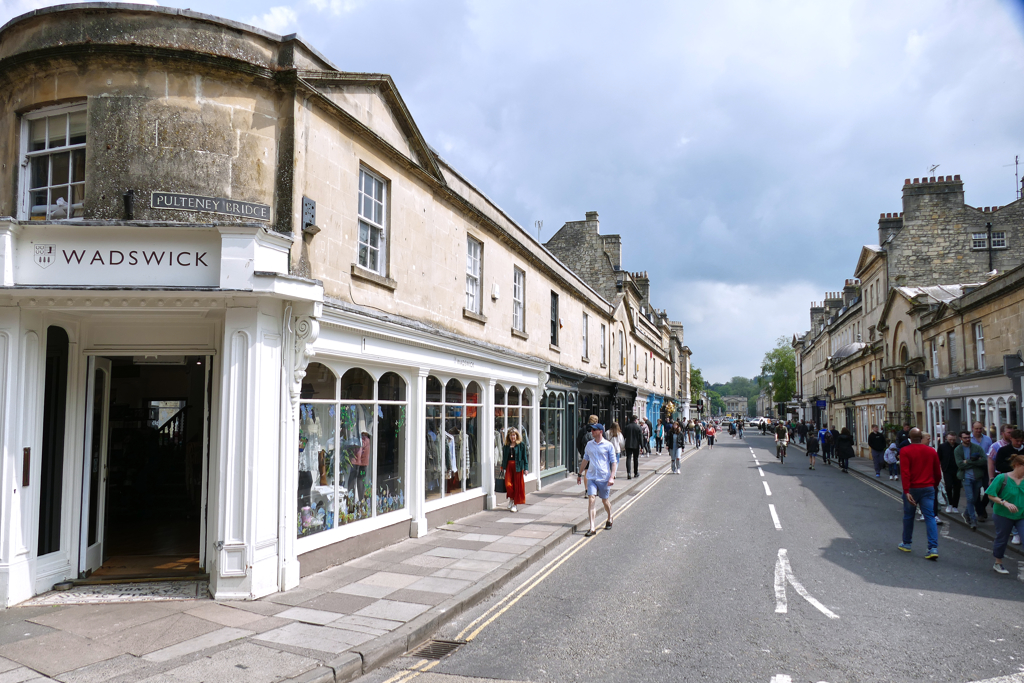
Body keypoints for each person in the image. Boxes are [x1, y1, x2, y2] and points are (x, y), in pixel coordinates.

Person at [897, 428, 941, 559]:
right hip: (928, 487)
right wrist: (934, 485)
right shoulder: (931, 451)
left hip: (912, 489)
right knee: (930, 517)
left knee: (908, 516)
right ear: (921, 437)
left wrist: (906, 490)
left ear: (910, 438)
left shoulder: (905, 451)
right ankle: (933, 548)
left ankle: (907, 543)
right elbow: (937, 472)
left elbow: (905, 472)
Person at [987, 454, 1024, 574]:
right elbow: (991, 494)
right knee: (1002, 539)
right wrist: (1004, 503)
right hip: (1003, 514)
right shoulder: (1003, 478)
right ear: (1017, 465)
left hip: (1021, 515)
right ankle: (998, 563)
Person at [580, 423, 617, 537]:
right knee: (591, 499)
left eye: (594, 430)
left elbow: (613, 462)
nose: (592, 431)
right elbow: (585, 460)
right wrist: (579, 473)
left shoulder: (608, 445)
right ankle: (592, 527)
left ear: (600, 431)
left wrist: (612, 477)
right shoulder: (589, 445)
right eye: (591, 429)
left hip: (604, 478)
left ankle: (610, 517)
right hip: (591, 477)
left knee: (605, 501)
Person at [993, 429, 1024, 545]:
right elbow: (999, 465)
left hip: (1022, 482)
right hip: (1009, 482)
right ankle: (1015, 533)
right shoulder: (1003, 450)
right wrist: (1015, 471)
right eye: (1017, 441)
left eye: (1022, 441)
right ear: (1011, 439)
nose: (1020, 443)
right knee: (1012, 505)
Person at [955, 430, 987, 530]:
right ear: (961, 439)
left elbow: (984, 461)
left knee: (974, 498)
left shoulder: (976, 447)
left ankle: (966, 514)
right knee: (970, 498)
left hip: (977, 477)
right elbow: (960, 464)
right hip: (966, 478)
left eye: (969, 437)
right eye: (965, 438)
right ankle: (973, 520)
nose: (967, 439)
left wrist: (967, 462)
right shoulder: (958, 450)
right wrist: (974, 461)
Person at [502, 428, 528, 513]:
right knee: (508, 484)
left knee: (517, 486)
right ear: (508, 436)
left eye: (514, 435)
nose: (512, 437)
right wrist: (502, 466)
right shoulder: (506, 446)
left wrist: (526, 468)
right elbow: (504, 457)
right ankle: (512, 499)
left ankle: (515, 505)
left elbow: (525, 457)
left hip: (518, 467)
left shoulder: (521, 445)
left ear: (516, 435)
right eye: (511, 435)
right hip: (509, 466)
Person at [937, 432, 960, 514]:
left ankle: (955, 506)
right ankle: (949, 504)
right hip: (947, 470)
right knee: (949, 486)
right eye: (950, 439)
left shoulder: (959, 446)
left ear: (956, 438)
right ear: (946, 438)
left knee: (957, 488)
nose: (952, 441)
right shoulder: (942, 446)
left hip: (958, 470)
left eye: (953, 440)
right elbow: (938, 458)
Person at [622, 416, 643, 480]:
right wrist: (642, 447)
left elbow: (624, 436)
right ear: (635, 420)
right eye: (637, 419)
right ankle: (635, 473)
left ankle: (628, 473)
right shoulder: (638, 427)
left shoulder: (627, 427)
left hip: (628, 445)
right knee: (635, 459)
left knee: (628, 458)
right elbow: (641, 438)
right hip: (636, 446)